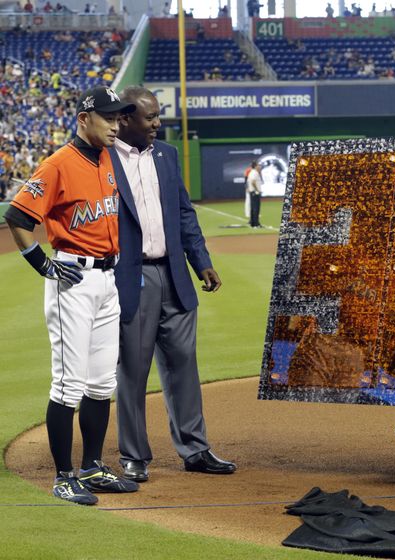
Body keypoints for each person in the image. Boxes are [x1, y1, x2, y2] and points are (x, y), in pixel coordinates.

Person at [3, 86, 139, 505]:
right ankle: (64, 475)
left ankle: (92, 466)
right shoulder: (58, 164)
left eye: (119, 117)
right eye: (109, 117)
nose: (117, 124)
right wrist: (42, 263)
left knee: (101, 383)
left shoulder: (108, 158)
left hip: (107, 280)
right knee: (68, 385)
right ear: (84, 119)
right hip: (72, 282)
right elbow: (17, 215)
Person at [109, 87, 236, 481]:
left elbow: (184, 213)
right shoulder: (104, 158)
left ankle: (194, 449)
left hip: (174, 274)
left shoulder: (167, 155)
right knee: (132, 369)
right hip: (132, 275)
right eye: (150, 118)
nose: (157, 124)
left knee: (183, 365)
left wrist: (202, 262)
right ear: (126, 119)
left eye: (158, 116)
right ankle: (133, 454)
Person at [246, 160, 263, 228]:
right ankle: (256, 224)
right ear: (255, 166)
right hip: (255, 192)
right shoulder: (255, 173)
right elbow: (253, 182)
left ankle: (252, 223)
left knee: (253, 208)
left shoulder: (252, 172)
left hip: (252, 192)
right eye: (258, 165)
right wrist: (257, 190)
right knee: (256, 208)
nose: (259, 166)